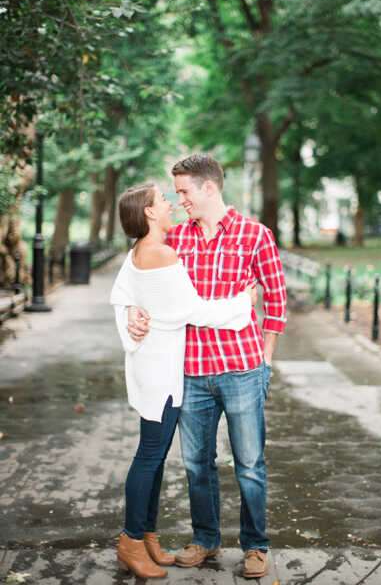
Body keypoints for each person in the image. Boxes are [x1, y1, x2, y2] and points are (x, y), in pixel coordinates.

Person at [127, 154, 287, 579]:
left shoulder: (256, 235)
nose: (179, 201)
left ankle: (255, 546)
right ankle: (206, 539)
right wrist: (130, 309)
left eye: (183, 192)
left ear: (209, 188)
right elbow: (138, 274)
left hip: (242, 369)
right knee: (198, 464)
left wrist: (266, 359)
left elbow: (276, 299)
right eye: (174, 193)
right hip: (191, 373)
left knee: (249, 463)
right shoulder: (175, 239)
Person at [110, 182, 256, 579]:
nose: (172, 204)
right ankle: (130, 541)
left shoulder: (139, 251)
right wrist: (244, 302)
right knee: (150, 456)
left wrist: (132, 313)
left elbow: (121, 293)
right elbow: (194, 310)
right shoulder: (161, 253)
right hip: (159, 370)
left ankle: (147, 535)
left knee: (152, 457)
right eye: (163, 201)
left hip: (155, 365)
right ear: (150, 213)